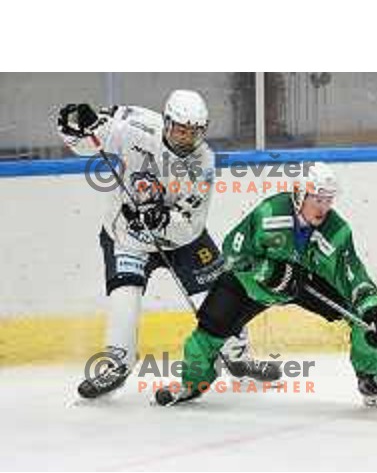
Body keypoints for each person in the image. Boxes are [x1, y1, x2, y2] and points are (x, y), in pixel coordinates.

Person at [58, 90, 277, 399]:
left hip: (183, 241)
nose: (186, 137)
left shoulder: (203, 161)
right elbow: (93, 141)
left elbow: (191, 224)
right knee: (125, 297)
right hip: (128, 237)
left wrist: (161, 220)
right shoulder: (136, 124)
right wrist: (75, 127)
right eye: (180, 129)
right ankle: (118, 366)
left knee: (220, 295)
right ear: (167, 121)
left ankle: (237, 357)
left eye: (194, 131)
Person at [155, 162, 377, 407]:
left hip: (302, 283)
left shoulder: (336, 231)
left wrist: (375, 310)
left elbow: (353, 276)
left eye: (327, 200)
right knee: (208, 331)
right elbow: (233, 251)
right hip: (250, 285)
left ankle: (370, 378)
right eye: (316, 199)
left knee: (361, 317)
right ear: (300, 195)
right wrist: (269, 272)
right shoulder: (269, 213)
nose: (323, 208)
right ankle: (192, 383)